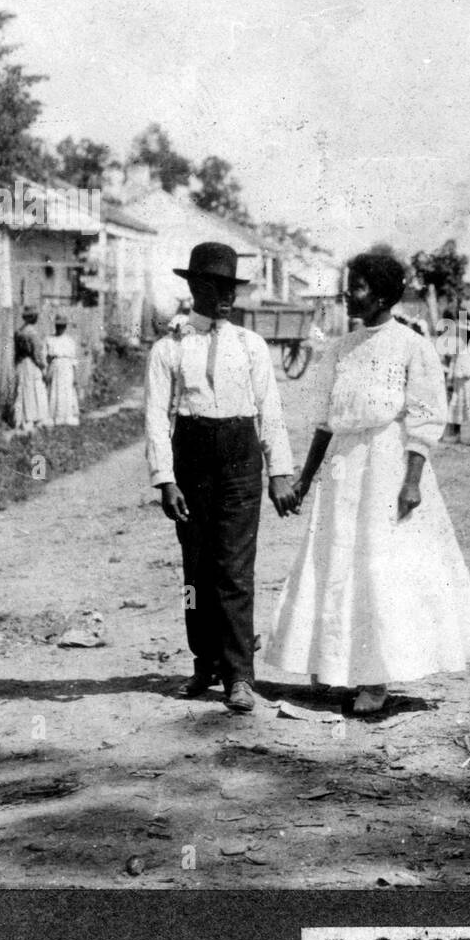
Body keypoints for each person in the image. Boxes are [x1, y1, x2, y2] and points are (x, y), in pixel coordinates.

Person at [263, 249, 470, 714]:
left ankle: (376, 677)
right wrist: (305, 481)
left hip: (386, 464)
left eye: (360, 286)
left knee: (380, 568)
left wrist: (412, 482)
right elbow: (326, 424)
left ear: (385, 294)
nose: (350, 293)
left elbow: (425, 418)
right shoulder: (340, 349)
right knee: (336, 564)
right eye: (349, 284)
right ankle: (336, 665)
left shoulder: (411, 345)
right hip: (343, 470)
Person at [144, 242, 298, 714]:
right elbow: (155, 416)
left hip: (239, 457)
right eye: (214, 286)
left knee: (234, 567)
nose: (225, 296)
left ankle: (238, 675)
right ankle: (204, 662)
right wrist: (165, 479)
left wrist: (280, 472)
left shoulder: (250, 346)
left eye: (230, 286)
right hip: (191, 456)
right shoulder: (169, 347)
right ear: (193, 287)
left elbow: (269, 411)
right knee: (196, 568)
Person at [12, 306, 51, 432]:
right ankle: (32, 418)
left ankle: (22, 419)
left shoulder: (19, 332)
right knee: (34, 390)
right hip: (31, 363)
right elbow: (37, 353)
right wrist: (43, 366)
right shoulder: (33, 333)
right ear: (33, 318)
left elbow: (16, 352)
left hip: (21, 363)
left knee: (23, 389)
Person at [45, 316, 80, 427]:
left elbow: (74, 359)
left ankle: (67, 417)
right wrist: (46, 370)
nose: (60, 328)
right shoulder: (49, 339)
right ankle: (54, 417)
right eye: (58, 326)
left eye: (62, 326)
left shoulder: (70, 340)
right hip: (55, 365)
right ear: (55, 326)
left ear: (65, 327)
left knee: (67, 391)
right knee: (55, 390)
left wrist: (75, 376)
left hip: (67, 367)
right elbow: (46, 357)